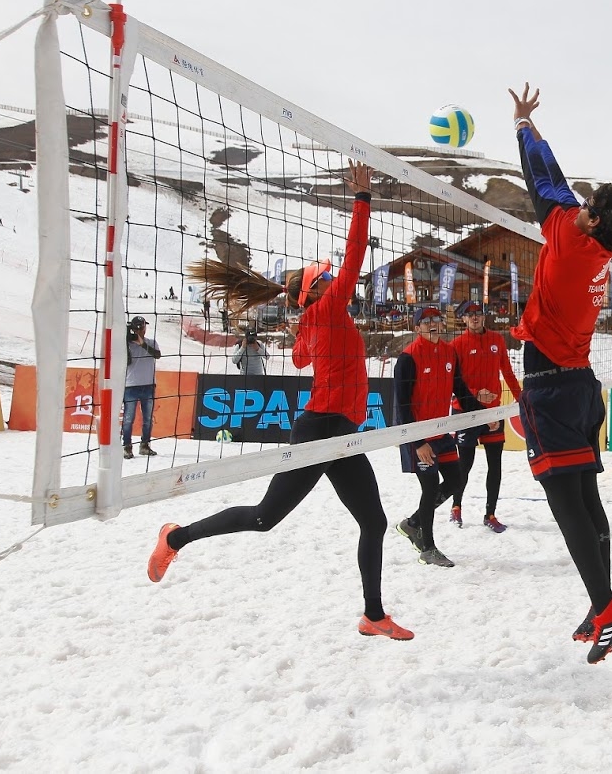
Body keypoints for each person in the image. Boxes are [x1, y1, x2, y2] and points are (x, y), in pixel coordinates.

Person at [146, 160, 415, 641]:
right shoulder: (327, 309)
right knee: (265, 518)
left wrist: (303, 329)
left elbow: (298, 360)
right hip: (319, 429)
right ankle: (176, 536)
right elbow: (355, 256)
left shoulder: (317, 317)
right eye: (329, 279)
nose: (340, 281)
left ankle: (373, 614)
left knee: (373, 521)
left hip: (340, 433)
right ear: (318, 291)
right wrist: (362, 198)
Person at [508, 83, 612, 664]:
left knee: (568, 509)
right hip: (580, 386)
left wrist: (522, 131)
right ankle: (599, 602)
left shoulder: (566, 240)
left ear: (591, 222)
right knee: (587, 503)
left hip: (551, 387)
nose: (579, 204)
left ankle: (608, 608)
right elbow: (557, 188)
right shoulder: (597, 250)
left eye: (588, 206)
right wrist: (530, 130)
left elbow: (545, 181)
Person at [392, 305, 484, 567]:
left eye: (436, 319)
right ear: (417, 327)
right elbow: (402, 405)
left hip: (441, 431)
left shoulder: (449, 352)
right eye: (426, 320)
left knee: (457, 480)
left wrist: (485, 415)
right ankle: (427, 548)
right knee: (430, 487)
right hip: (418, 434)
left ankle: (413, 523)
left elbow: (461, 391)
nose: (433, 323)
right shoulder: (408, 358)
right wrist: (417, 442)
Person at [449, 300, 522, 532]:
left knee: (495, 466)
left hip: (493, 412)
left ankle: (490, 514)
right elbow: (452, 382)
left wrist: (522, 399)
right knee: (465, 464)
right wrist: (474, 394)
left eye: (478, 314)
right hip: (466, 412)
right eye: (469, 315)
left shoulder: (496, 340)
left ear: (484, 316)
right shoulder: (456, 345)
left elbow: (508, 372)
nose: (474, 318)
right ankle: (456, 507)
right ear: (463, 319)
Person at [123, 316, 162, 458]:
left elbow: (157, 355)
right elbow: (126, 362)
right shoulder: (126, 344)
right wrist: (127, 342)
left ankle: (145, 445)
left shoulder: (151, 343)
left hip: (148, 385)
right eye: (139, 327)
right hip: (131, 386)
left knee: (147, 419)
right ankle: (127, 446)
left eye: (143, 326)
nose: (142, 329)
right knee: (128, 418)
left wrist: (142, 344)